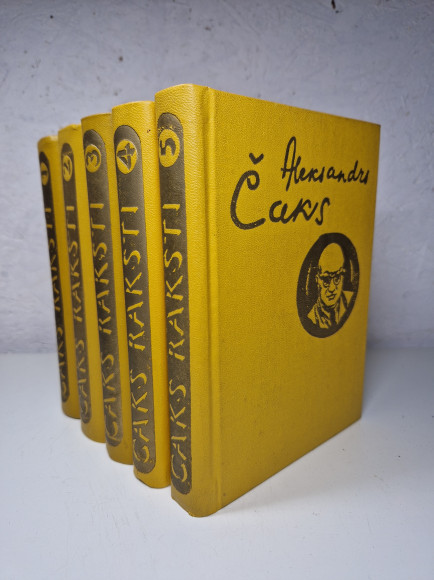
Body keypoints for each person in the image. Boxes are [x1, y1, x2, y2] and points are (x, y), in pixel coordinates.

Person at [307, 243, 353, 330]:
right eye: (326, 280)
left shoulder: (350, 299)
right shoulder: (311, 317)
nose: (332, 288)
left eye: (337, 278)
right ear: (317, 280)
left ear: (343, 277)